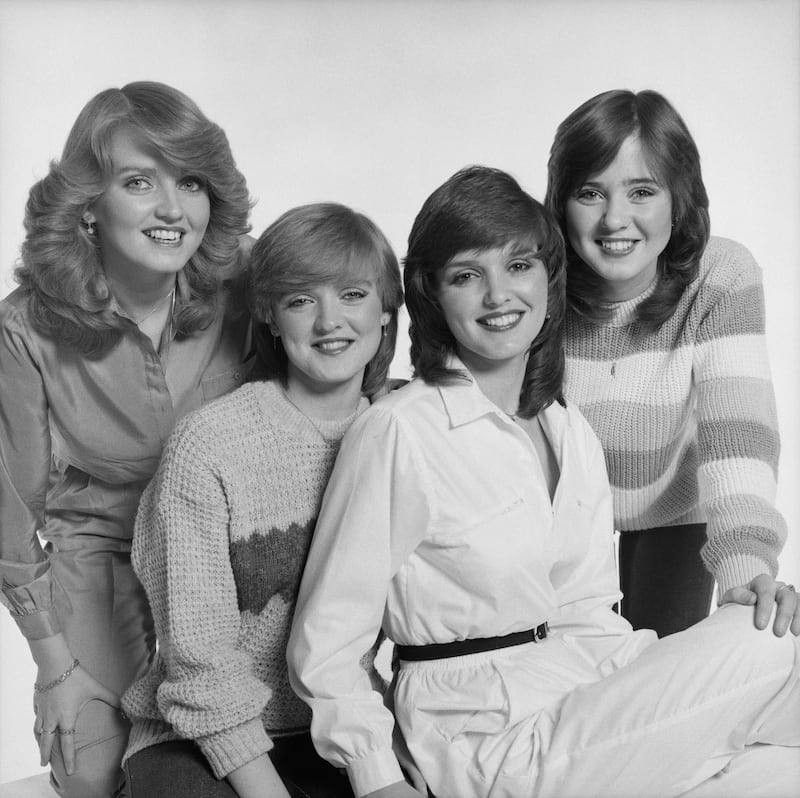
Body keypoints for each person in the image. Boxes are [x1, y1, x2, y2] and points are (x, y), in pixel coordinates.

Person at [287, 166, 800, 798]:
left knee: (778, 759)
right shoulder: (401, 431)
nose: (499, 295)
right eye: (467, 276)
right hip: (480, 738)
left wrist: (658, 680)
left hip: (582, 701)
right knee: (766, 646)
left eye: (519, 266)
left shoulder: (566, 428)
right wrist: (376, 778)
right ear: (433, 297)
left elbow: (586, 610)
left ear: (549, 278)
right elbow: (328, 641)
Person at [0, 81, 255, 798]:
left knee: (241, 755)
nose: (173, 209)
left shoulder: (248, 284)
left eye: (192, 182)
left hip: (229, 564)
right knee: (91, 779)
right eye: (139, 182)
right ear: (87, 204)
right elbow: (10, 511)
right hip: (105, 561)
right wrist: (54, 666)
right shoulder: (23, 329)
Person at [120, 202, 404, 798]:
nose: (330, 321)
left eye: (353, 294)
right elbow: (198, 657)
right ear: (271, 317)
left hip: (342, 729)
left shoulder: (407, 432)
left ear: (386, 311)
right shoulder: (211, 445)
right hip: (198, 736)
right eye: (302, 300)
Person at [544, 89, 788, 637]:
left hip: (675, 510)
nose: (614, 219)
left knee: (663, 678)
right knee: (572, 694)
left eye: (642, 191)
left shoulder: (720, 275)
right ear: (559, 201)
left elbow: (739, 435)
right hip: (560, 522)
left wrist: (746, 567)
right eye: (589, 193)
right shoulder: (534, 283)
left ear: (679, 199)